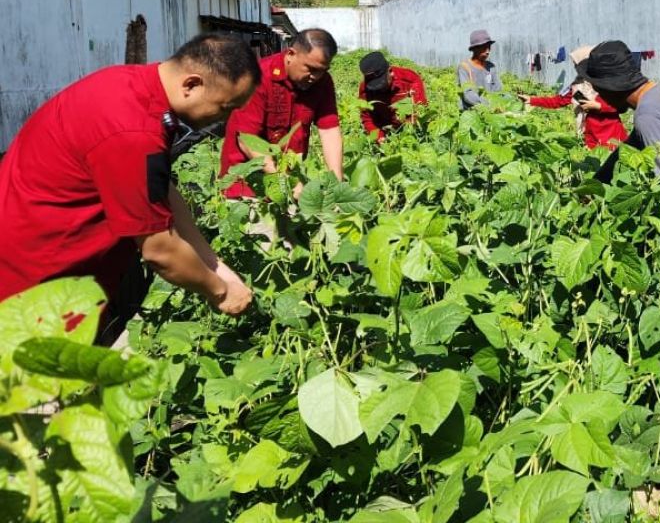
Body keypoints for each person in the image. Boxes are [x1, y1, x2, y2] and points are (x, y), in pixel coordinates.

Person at [0, 34, 260, 343]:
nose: (226, 119)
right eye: (224, 107)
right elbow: (160, 251)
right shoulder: (134, 131)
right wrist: (218, 291)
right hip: (39, 281)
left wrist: (216, 266)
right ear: (191, 84)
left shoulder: (130, 84)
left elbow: (160, 190)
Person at [220, 28, 344, 198]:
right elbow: (246, 139)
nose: (316, 76)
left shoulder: (322, 82)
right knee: (261, 225)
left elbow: (329, 130)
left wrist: (336, 182)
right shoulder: (258, 77)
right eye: (311, 68)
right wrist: (282, 181)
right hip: (247, 182)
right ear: (291, 54)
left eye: (322, 70)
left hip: (290, 180)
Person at [579, 40, 660, 185]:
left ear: (611, 87)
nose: (602, 98)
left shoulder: (646, 115)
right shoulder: (658, 94)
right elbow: (630, 146)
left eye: (599, 91)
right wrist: (596, 183)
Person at [518, 45, 628, 151]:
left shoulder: (608, 82)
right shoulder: (576, 85)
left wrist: (598, 106)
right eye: (575, 64)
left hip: (612, 134)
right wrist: (531, 100)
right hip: (590, 136)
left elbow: (621, 104)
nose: (575, 67)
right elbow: (558, 101)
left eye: (577, 64)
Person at [358, 51, 427, 141]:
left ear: (390, 72)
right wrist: (379, 137)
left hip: (410, 131)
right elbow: (367, 118)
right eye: (374, 86)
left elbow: (420, 110)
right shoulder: (365, 89)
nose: (379, 89)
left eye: (382, 84)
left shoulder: (409, 80)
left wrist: (409, 132)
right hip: (385, 131)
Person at [458, 29, 503, 109]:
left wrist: (496, 104)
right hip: (472, 111)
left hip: (492, 110)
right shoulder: (464, 67)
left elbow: (498, 88)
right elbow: (468, 94)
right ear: (475, 48)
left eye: (489, 47)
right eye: (484, 47)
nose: (488, 51)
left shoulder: (491, 67)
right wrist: (486, 105)